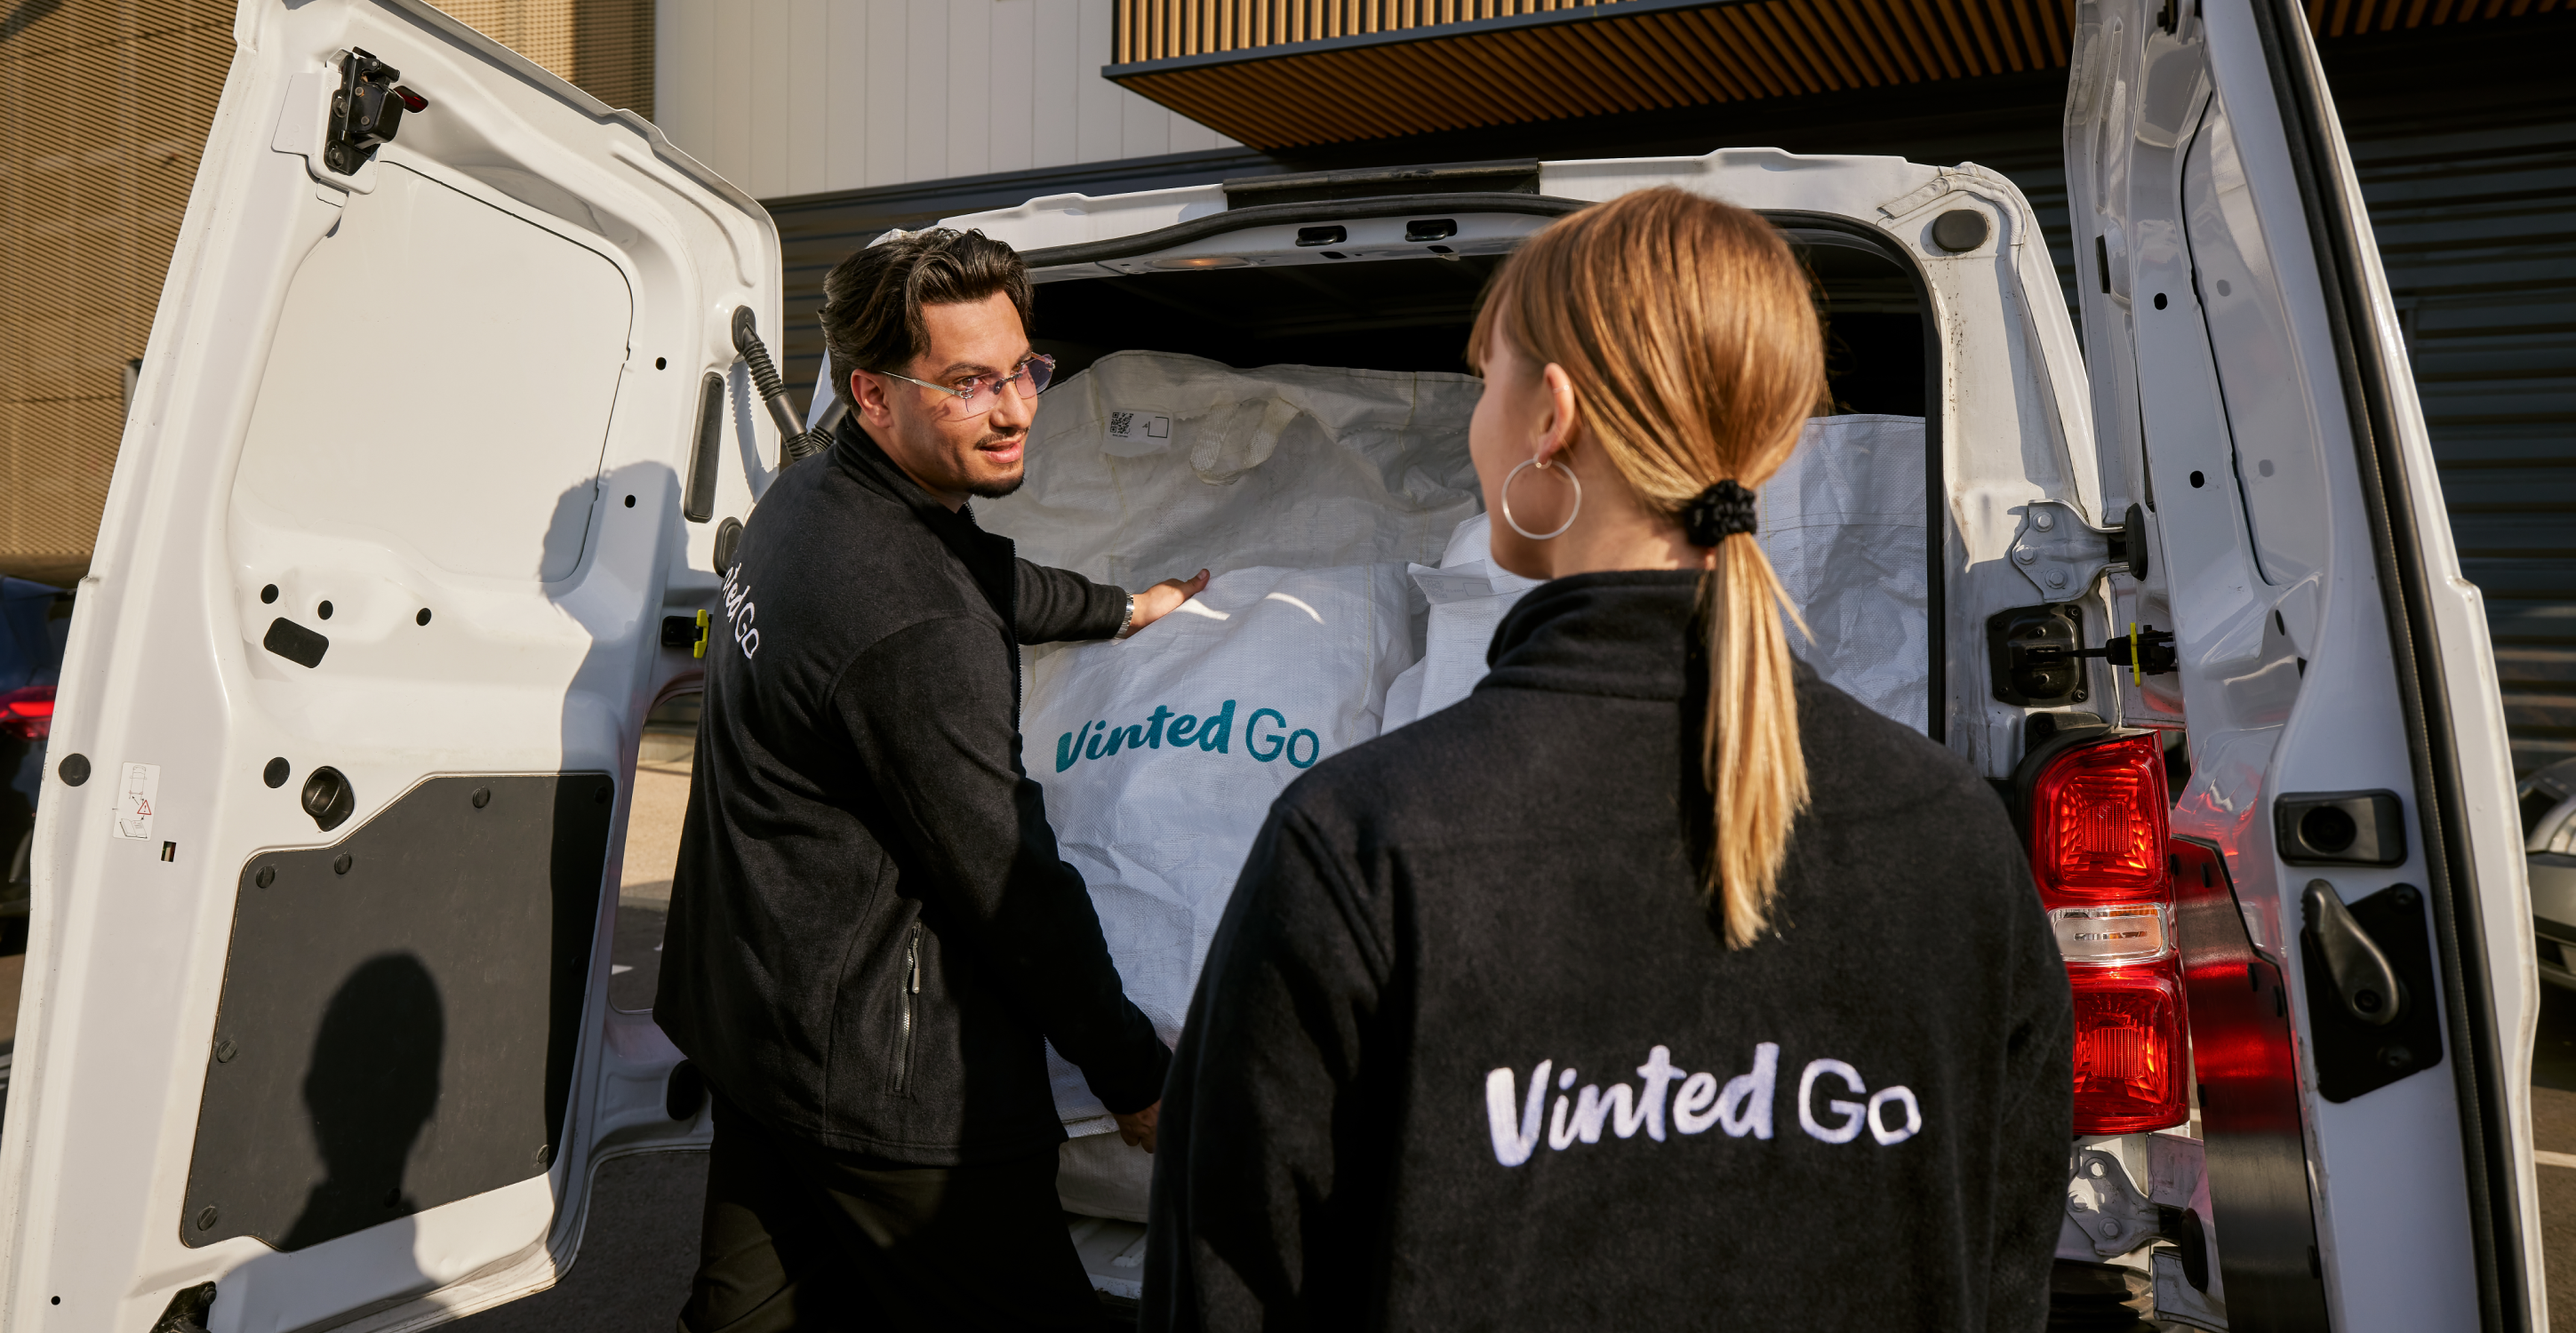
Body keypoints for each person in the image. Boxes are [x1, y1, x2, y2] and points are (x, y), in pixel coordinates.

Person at [1141, 188, 2074, 1329]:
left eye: (1487, 382)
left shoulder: (1366, 838)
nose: (1478, 425)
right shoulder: (1952, 833)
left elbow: (1228, 1292)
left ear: (1550, 418)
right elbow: (2008, 1269)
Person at [655, 227, 1209, 1332]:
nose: (1014, 410)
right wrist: (1134, 1078)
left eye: (1021, 369)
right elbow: (1014, 885)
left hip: (756, 1023)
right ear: (872, 394)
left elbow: (973, 571)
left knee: (745, 1321)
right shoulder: (916, 635)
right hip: (888, 1087)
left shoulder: (806, 504)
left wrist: (1117, 608)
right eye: (968, 385)